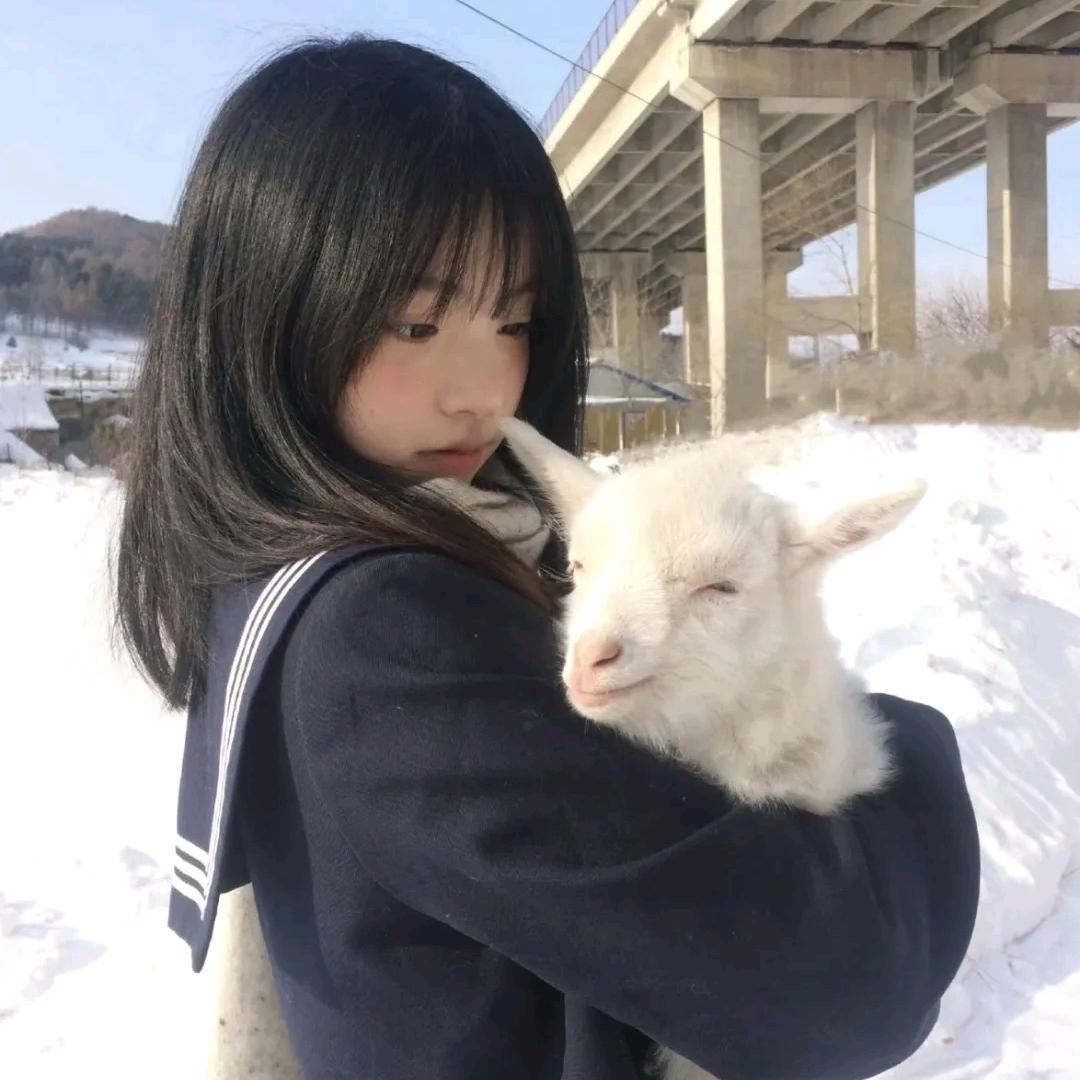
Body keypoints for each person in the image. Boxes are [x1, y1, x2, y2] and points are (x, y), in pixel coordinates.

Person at [115, 34, 980, 1080]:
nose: (484, 391)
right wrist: (916, 754)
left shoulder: (280, 570)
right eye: (415, 323)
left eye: (514, 321)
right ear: (265, 310)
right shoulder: (381, 631)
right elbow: (838, 981)